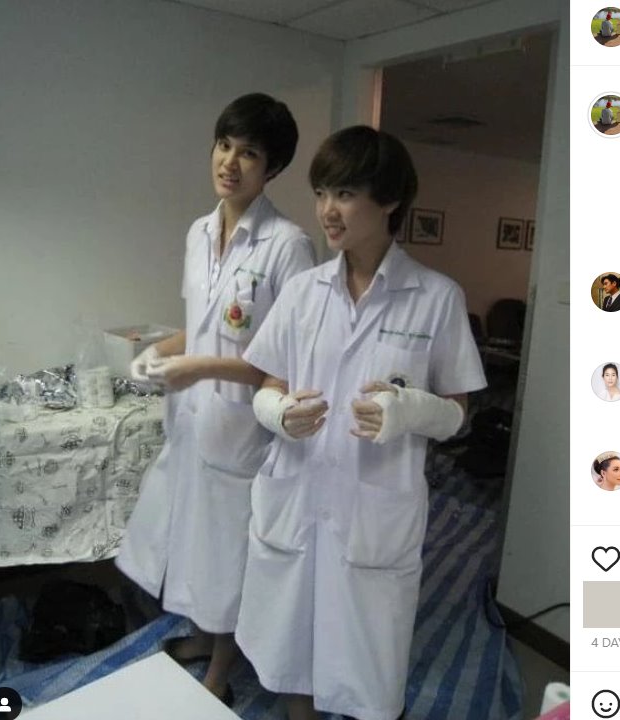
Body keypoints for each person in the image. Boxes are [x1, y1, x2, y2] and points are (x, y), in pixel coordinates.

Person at [235, 126, 486, 720]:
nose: (327, 209)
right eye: (322, 192)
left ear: (390, 200)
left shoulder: (436, 297)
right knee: (291, 639)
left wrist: (409, 410)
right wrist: (280, 413)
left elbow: (458, 414)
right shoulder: (302, 292)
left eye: (345, 194)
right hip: (298, 491)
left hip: (374, 507)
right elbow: (266, 384)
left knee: (366, 656)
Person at [115, 93, 316, 705]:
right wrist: (157, 350)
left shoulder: (287, 246)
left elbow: (288, 361)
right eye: (224, 145)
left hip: (243, 429)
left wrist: (200, 366)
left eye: (248, 153)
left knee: (229, 553)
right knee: (192, 542)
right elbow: (200, 327)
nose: (229, 162)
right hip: (192, 420)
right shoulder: (199, 233)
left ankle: (220, 670)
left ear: (272, 167)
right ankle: (205, 636)